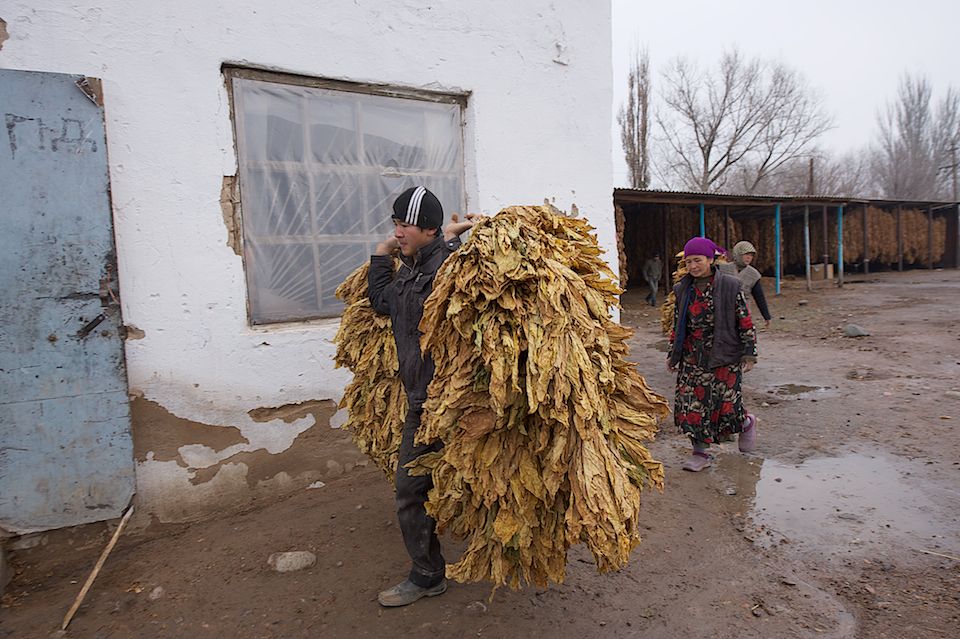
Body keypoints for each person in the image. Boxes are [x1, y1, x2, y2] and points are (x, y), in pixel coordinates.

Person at [368, 186, 477, 607]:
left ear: (428, 228)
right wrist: (382, 254)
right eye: (395, 223)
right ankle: (429, 574)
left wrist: (451, 238)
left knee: (423, 489)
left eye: (405, 224)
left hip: (454, 404)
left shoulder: (445, 270)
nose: (397, 231)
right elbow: (383, 302)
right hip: (422, 404)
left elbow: (451, 267)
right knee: (412, 489)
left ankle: (439, 571)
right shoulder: (410, 270)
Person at [666, 236, 758, 472]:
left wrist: (749, 352)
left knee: (726, 407)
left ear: (710, 259)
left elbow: (744, 319)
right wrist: (673, 353)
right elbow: (678, 325)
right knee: (690, 407)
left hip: (724, 354)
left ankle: (746, 423)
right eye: (688, 262)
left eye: (697, 260)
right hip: (692, 356)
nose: (693, 267)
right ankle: (700, 454)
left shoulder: (730, 285)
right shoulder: (682, 289)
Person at [731, 241, 772, 328]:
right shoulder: (723, 269)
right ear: (738, 254)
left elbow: (759, 296)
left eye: (751, 255)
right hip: (724, 310)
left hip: (744, 311)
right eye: (746, 254)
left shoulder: (753, 274)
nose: (749, 258)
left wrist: (766, 316)